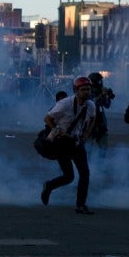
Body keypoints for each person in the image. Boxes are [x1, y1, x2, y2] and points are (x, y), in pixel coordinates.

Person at [40, 76, 97, 215]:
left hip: (76, 142)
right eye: (83, 89)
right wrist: (57, 130)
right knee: (69, 176)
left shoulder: (91, 106)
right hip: (62, 142)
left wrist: (84, 137)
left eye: (88, 89)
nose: (86, 92)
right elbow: (47, 118)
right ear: (76, 90)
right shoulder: (65, 104)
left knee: (85, 174)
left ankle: (81, 205)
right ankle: (49, 186)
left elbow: (92, 121)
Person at [88, 72, 113, 160]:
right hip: (89, 125)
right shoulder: (87, 92)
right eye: (99, 81)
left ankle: (99, 167)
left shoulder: (100, 91)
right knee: (87, 150)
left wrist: (108, 96)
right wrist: (101, 95)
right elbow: (92, 103)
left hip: (101, 124)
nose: (100, 82)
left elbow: (107, 105)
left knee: (103, 148)